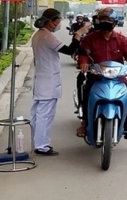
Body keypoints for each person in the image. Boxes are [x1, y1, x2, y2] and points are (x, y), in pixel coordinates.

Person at [76, 7, 127, 153]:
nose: (105, 24)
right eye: (103, 21)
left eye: (109, 21)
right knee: (87, 93)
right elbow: (83, 52)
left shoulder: (122, 40)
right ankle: (84, 123)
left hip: (117, 78)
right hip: (96, 76)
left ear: (114, 23)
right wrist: (83, 61)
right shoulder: (91, 38)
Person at [31, 8, 90, 156]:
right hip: (48, 80)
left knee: (38, 113)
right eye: (58, 20)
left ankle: (38, 142)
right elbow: (70, 50)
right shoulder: (47, 37)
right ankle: (41, 146)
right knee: (45, 113)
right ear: (51, 21)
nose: (60, 23)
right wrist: (78, 34)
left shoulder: (39, 35)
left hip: (42, 78)